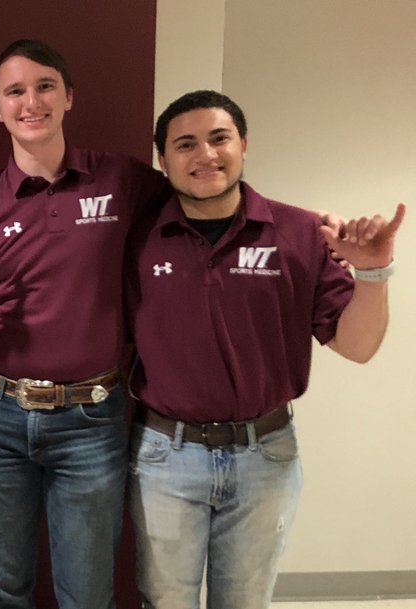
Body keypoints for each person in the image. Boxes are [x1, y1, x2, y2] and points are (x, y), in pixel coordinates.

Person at [125, 89, 403, 609]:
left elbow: (358, 346)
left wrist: (372, 271)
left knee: (245, 601)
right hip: (166, 455)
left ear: (244, 145)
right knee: (163, 600)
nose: (205, 155)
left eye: (219, 138)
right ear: (164, 161)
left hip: (265, 454)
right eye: (185, 145)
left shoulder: (299, 232)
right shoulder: (137, 239)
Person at [0, 39, 171, 609]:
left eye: (43, 87)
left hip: (93, 419)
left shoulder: (121, 180)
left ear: (68, 97)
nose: (30, 101)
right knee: (2, 592)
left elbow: (198, 204)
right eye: (14, 92)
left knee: (87, 596)